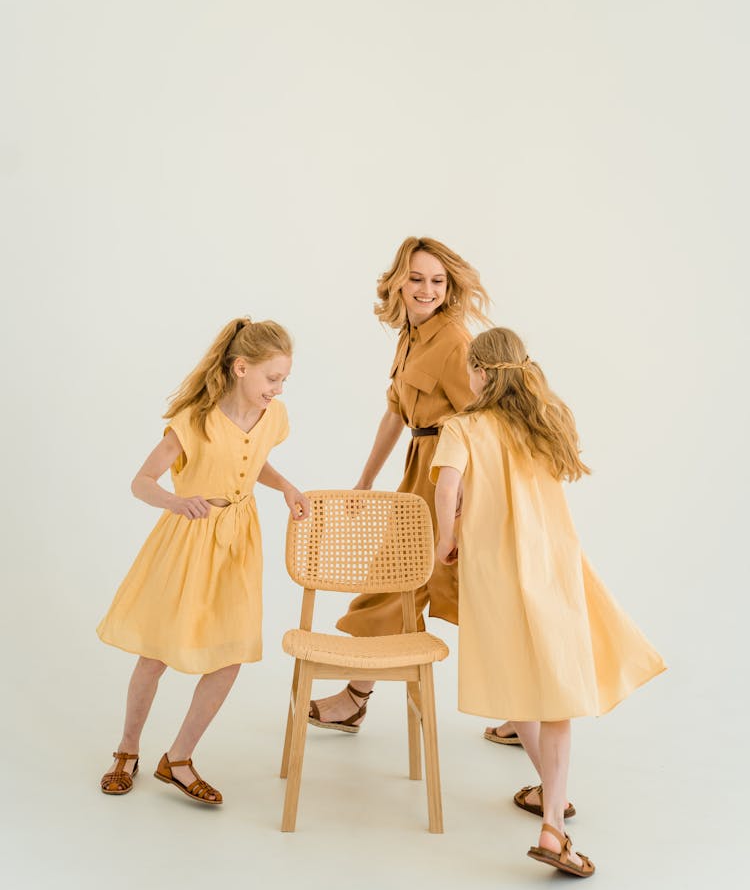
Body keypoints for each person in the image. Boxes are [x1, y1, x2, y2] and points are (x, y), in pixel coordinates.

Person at [431, 327, 665, 877]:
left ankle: (547, 800)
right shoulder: (543, 424)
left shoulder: (462, 427)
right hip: (553, 564)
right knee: (554, 689)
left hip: (492, 571)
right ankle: (553, 823)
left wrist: (449, 536)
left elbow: (446, 486)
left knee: (511, 670)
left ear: (481, 373)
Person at [97, 317, 309, 804]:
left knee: (230, 655)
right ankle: (127, 751)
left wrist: (287, 487)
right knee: (156, 653)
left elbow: (254, 462)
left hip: (239, 543)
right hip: (189, 543)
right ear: (240, 368)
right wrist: (176, 502)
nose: (278, 389)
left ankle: (179, 758)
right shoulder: (194, 419)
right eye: (271, 378)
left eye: (284, 380)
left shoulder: (273, 417)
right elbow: (142, 482)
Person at [308, 237, 489, 731]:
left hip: (450, 476)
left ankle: (355, 697)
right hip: (420, 469)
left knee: (445, 586)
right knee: (416, 582)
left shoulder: (455, 342)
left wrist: (459, 504)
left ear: (449, 286)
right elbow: (396, 414)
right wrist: (365, 480)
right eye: (416, 278)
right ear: (398, 282)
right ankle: (357, 696)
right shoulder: (411, 334)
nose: (426, 289)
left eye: (437, 280)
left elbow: (482, 424)